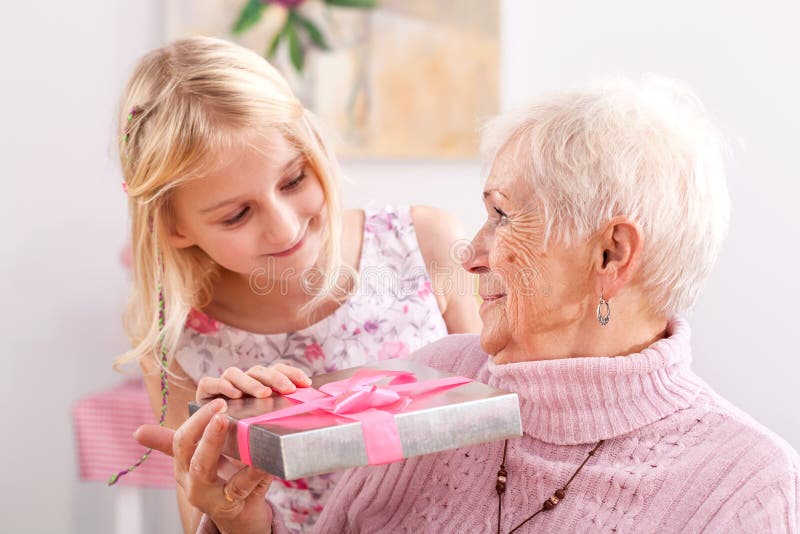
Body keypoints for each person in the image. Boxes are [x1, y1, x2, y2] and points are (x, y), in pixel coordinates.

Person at [135, 76, 800, 532]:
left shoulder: (744, 485)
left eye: (503, 217)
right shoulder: (426, 381)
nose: (469, 253)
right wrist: (242, 520)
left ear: (610, 256)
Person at [113, 35, 481, 533]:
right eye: (237, 214)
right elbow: (209, 516)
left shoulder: (424, 245)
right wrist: (231, 499)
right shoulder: (179, 341)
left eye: (292, 181)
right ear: (175, 227)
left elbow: (506, 422)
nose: (285, 228)